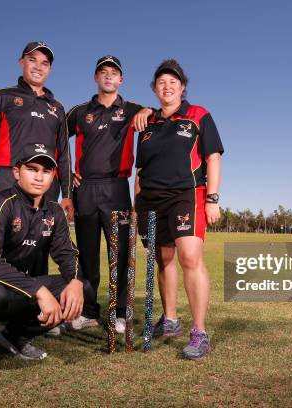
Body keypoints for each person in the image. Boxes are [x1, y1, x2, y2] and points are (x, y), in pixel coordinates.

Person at [0, 143, 93, 377]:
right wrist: (39, 290)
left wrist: (74, 281)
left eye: (45, 172)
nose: (39, 177)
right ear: (17, 172)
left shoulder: (54, 212)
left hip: (16, 289)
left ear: (53, 176)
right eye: (32, 169)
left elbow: (67, 254)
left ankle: (13, 337)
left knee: (82, 288)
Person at [134, 59, 224, 360]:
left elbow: (212, 157)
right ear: (155, 90)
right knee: (163, 259)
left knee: (189, 256)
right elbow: (140, 169)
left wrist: (213, 199)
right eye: (161, 82)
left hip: (187, 195)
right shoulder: (147, 124)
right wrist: (137, 205)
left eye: (173, 82)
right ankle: (170, 319)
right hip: (150, 200)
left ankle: (199, 331)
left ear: (182, 88)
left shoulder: (198, 115)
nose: (167, 86)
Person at [61, 55, 151, 332]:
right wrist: (66, 176)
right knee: (87, 255)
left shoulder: (133, 109)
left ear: (121, 79)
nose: (109, 76)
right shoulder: (79, 111)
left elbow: (156, 114)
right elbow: (55, 139)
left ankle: (121, 312)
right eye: (103, 72)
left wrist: (148, 111)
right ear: (95, 78)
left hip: (116, 188)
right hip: (85, 188)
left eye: (114, 73)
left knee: (120, 253)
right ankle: (88, 311)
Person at [0, 41, 74, 218]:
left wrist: (67, 195)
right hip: (8, 177)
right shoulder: (3, 96)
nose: (38, 67)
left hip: (46, 182)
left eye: (45, 63)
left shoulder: (58, 108)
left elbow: (64, 154)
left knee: (41, 241)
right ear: (21, 62)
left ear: (50, 69)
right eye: (32, 60)